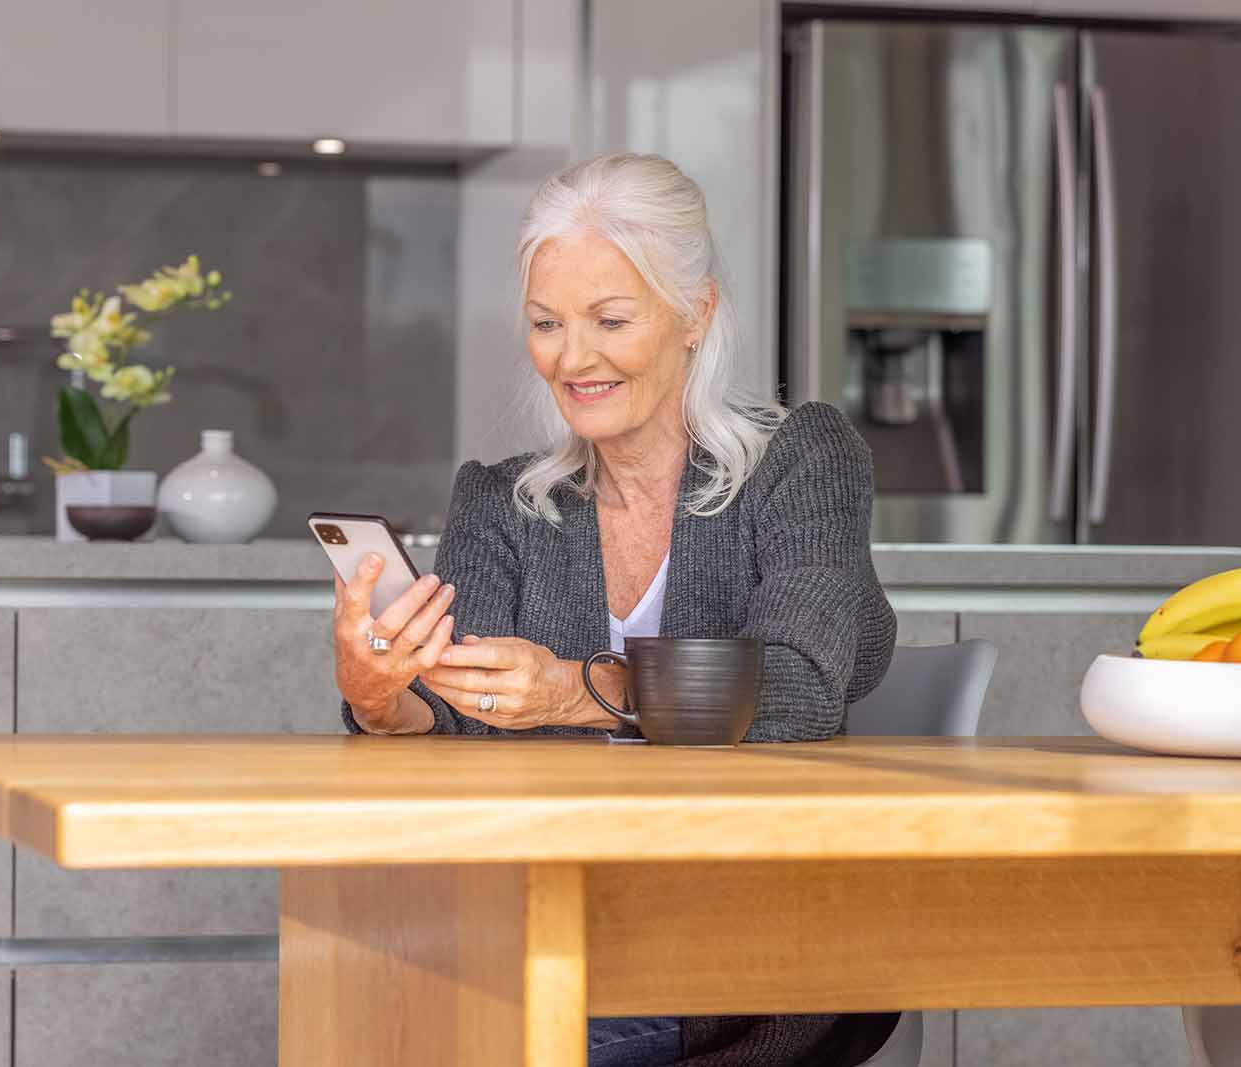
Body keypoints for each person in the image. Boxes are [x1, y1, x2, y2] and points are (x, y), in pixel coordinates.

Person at [331, 152, 898, 1066]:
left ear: (696, 314)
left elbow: (802, 689)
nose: (573, 356)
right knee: (368, 1003)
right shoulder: (503, 500)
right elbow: (450, 719)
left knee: (436, 1039)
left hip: (743, 950)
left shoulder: (799, 461)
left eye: (612, 319)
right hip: (547, 927)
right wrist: (380, 694)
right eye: (547, 323)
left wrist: (569, 692)